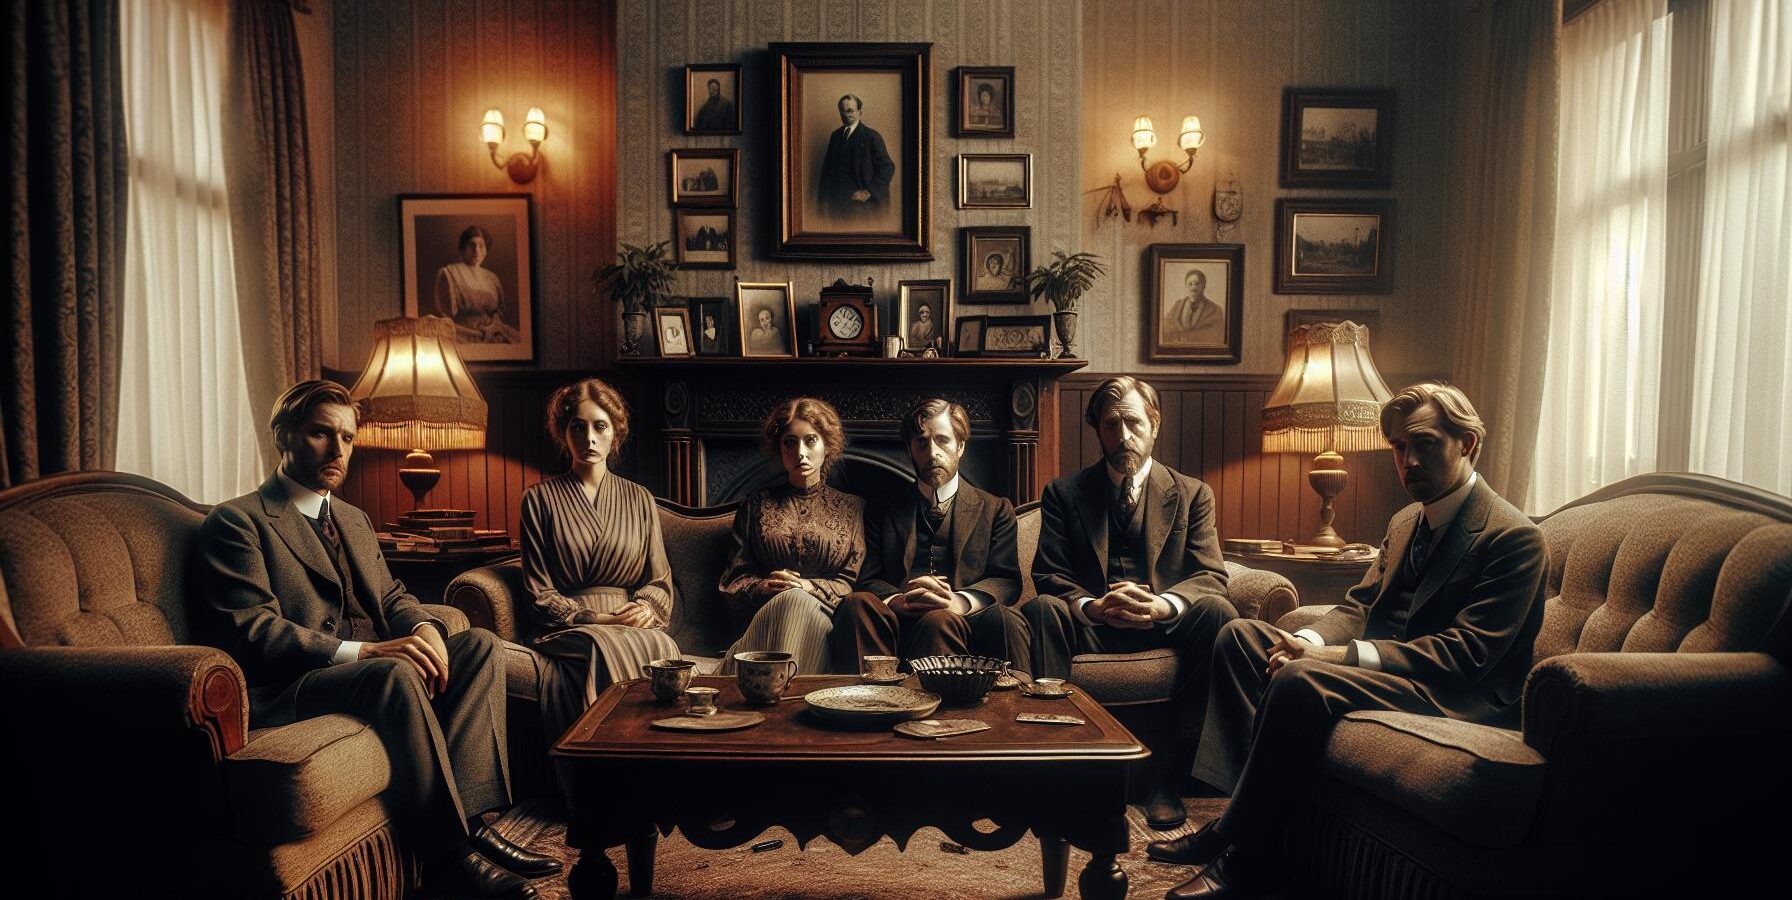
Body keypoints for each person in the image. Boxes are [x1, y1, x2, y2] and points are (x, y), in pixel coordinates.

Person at [1149, 382, 1548, 900]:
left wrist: (1328, 656)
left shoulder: (1513, 536)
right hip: (1389, 675)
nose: (1408, 461)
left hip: (1456, 694)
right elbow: (1359, 606)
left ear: (1467, 443)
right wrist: (1303, 637)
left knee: (1302, 678)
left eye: (1425, 444)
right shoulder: (1406, 520)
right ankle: (1239, 820)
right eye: (1399, 447)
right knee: (1240, 637)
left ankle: (1245, 855)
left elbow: (1467, 654)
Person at [197, 381, 557, 899]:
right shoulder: (239, 520)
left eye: (347, 437)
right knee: (393, 672)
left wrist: (425, 627)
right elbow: (254, 629)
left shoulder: (353, 518)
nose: (338, 450)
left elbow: (391, 597)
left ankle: (476, 824)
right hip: (295, 683)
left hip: (367, 670)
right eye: (321, 433)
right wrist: (364, 651)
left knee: (478, 646)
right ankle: (448, 859)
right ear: (283, 436)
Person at [1025, 375, 1235, 830]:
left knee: (1219, 612)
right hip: (1092, 627)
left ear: (1154, 425)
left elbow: (1210, 576)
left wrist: (1164, 606)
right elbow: (1049, 575)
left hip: (1164, 626)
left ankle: (1168, 778)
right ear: (1097, 431)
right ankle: (1063, 772)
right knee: (1041, 610)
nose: (1123, 436)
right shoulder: (1064, 493)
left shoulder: (1194, 494)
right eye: (1111, 425)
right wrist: (1091, 606)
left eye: (1134, 423)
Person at [520, 379, 682, 740]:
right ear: (564, 433)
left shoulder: (639, 499)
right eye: (578, 427)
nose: (589, 438)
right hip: (570, 626)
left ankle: (661, 752)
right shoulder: (538, 500)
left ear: (615, 433)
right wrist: (596, 618)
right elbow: (538, 593)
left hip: (629, 620)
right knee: (600, 643)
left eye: (600, 427)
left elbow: (659, 579)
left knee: (663, 646)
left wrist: (646, 608)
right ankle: (609, 755)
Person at [829, 399, 1028, 672]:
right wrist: (899, 600)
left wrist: (958, 602)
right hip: (895, 619)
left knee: (941, 620)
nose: (933, 452)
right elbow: (868, 578)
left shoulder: (996, 509)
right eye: (922, 443)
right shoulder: (881, 509)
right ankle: (872, 691)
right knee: (855, 603)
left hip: (962, 620)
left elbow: (1006, 579)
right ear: (910, 449)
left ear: (960, 446)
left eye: (943, 440)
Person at [718, 398, 865, 675]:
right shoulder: (756, 504)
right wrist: (765, 586)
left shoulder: (852, 508)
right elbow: (733, 582)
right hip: (767, 620)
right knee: (789, 601)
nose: (800, 452)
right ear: (779, 448)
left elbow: (853, 582)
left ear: (827, 445)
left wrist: (806, 588)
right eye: (790, 442)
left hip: (827, 619)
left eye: (811, 441)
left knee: (796, 600)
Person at [434, 225, 522, 344]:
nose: (477, 250)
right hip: (464, 332)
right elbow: (445, 314)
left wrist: (495, 324)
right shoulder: (450, 273)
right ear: (462, 248)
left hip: (494, 332)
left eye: (481, 246)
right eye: (472, 245)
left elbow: (497, 311)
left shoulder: (492, 277)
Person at [817, 93, 895, 221]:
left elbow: (888, 167)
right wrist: (821, 203)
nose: (845, 115)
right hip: (836, 205)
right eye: (842, 111)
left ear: (860, 112)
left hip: (861, 207)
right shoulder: (835, 136)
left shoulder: (872, 137)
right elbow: (827, 170)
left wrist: (868, 192)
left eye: (850, 111)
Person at [1165, 268, 1225, 345]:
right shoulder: (1177, 305)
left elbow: (1216, 336)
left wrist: (1188, 337)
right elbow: (1166, 327)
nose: (1193, 287)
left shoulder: (1215, 309)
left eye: (1197, 284)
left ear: (1203, 286)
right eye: (1190, 284)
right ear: (1186, 286)